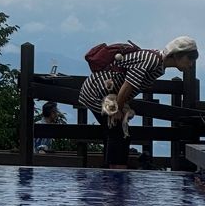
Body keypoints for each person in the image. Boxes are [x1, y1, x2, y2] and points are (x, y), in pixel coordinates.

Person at [79, 35, 198, 170]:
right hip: (98, 93)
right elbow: (129, 84)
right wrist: (116, 109)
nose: (191, 64)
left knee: (116, 133)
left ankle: (111, 172)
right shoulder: (152, 60)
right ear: (177, 55)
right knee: (118, 134)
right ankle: (115, 175)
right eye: (190, 59)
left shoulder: (158, 64)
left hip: (106, 93)